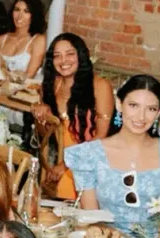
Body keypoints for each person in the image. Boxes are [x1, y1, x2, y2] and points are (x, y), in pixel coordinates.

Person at [67, 73, 160, 237]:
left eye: (151, 109)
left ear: (158, 113)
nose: (141, 116)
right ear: (119, 104)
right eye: (133, 105)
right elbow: (92, 221)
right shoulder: (89, 155)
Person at [33, 32, 114, 164]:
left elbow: (101, 137)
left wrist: (67, 165)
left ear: (80, 56)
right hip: (59, 160)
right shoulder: (51, 86)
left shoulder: (100, 86)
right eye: (57, 56)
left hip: (91, 163)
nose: (63, 60)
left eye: (70, 54)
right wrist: (40, 116)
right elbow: (44, 135)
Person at [0, 0, 48, 84]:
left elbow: (29, 75)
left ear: (34, 15)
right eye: (17, 10)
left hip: (24, 90)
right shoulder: (1, 39)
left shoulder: (38, 40)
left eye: (26, 11)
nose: (19, 16)